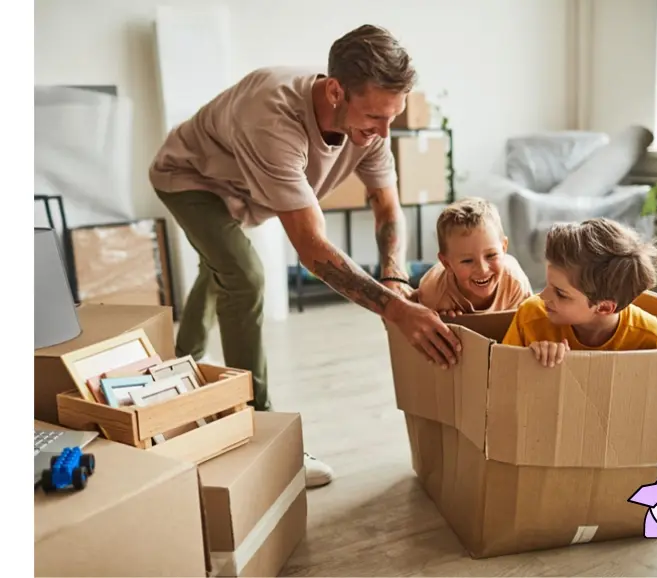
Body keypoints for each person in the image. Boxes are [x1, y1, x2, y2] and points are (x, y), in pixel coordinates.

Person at [148, 25, 461, 488]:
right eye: (375, 116)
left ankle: (179, 363)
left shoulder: (371, 126)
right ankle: (258, 430)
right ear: (336, 90)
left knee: (222, 267)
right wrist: (396, 310)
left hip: (244, 189)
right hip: (191, 176)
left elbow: (387, 209)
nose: (382, 133)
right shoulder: (273, 118)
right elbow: (313, 250)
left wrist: (394, 279)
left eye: (392, 118)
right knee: (244, 276)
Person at [501, 218, 657, 368]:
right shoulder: (531, 316)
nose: (544, 296)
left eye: (561, 293)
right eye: (548, 284)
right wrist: (529, 360)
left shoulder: (649, 336)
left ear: (603, 307)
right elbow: (498, 376)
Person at [413, 197, 532, 316]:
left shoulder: (515, 283)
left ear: (504, 248)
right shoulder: (433, 294)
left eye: (491, 255)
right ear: (447, 264)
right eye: (467, 261)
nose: (482, 269)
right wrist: (444, 322)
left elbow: (532, 325)